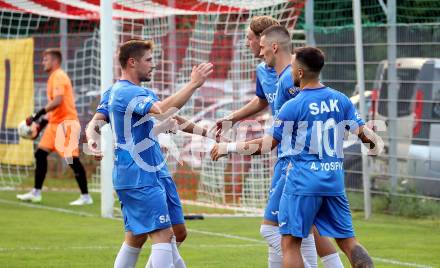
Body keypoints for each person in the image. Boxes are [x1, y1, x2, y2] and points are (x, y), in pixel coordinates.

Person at [212, 46, 382, 268]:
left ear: (300, 73)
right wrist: (376, 144)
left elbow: (266, 145)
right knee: (349, 242)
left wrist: (229, 147)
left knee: (290, 243)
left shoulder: (293, 106)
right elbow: (366, 136)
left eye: (292, 67)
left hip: (302, 181)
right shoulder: (341, 100)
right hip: (333, 181)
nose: (289, 71)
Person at [90, 39, 212, 268]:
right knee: (163, 236)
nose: (153, 65)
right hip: (138, 174)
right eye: (148, 60)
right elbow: (163, 110)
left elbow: (168, 117)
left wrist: (208, 133)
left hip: (151, 171)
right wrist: (193, 84)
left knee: (158, 234)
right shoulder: (126, 92)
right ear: (132, 62)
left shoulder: (137, 92)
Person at [17, 48, 92, 206]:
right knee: (40, 155)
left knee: (72, 159)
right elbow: (55, 109)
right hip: (54, 125)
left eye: (46, 59)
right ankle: (36, 192)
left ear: (55, 61)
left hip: (66, 124)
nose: (43, 62)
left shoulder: (59, 76)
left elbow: (57, 101)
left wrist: (35, 116)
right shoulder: (52, 78)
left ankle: (86, 196)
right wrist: (40, 125)